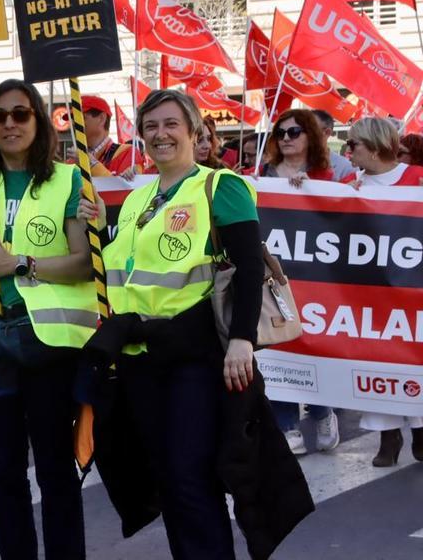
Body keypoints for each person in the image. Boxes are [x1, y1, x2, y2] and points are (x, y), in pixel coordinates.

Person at [86, 88, 312, 559]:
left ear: (193, 131)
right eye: (150, 127)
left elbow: (249, 267)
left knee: (190, 474)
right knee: (167, 478)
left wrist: (242, 342)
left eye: (170, 124)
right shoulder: (136, 199)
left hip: (195, 355)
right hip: (140, 357)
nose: (159, 135)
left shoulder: (218, 186)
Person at [0, 79, 95, 560]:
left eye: (21, 114)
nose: (9, 123)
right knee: (5, 470)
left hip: (48, 344)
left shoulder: (69, 179)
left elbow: (85, 262)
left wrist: (23, 264)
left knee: (53, 466)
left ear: (39, 120)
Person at [339, 117, 423, 465]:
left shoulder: (417, 179)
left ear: (373, 146)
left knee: (414, 359)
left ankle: (420, 430)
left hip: (412, 290)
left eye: (353, 145)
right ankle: (388, 438)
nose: (347, 152)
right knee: (375, 361)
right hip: (368, 292)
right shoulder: (348, 184)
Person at [261, 109, 340, 453]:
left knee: (312, 344)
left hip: (317, 276)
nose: (287, 138)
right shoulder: (262, 174)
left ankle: (323, 411)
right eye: (281, 133)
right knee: (280, 342)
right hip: (275, 274)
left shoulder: (327, 173)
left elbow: (343, 216)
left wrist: (314, 190)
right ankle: (287, 425)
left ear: (310, 135)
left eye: (294, 132)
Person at [78, 95, 142, 176]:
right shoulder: (73, 160)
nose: (74, 123)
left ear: (101, 118)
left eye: (81, 118)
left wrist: (91, 163)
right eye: (73, 118)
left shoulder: (127, 153)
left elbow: (125, 187)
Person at [312, 108, 355, 181]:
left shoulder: (345, 167)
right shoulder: (290, 162)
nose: (303, 133)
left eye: (310, 129)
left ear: (327, 132)